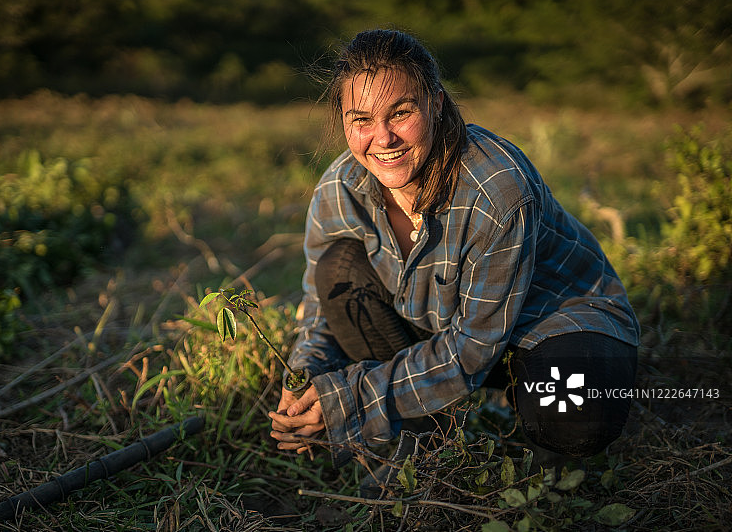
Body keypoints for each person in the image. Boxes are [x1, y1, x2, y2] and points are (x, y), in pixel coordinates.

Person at [268, 29, 639, 476]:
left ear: (436, 104)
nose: (383, 138)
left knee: (573, 418)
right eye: (361, 119)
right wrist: (303, 384)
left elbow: (472, 350)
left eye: (400, 113)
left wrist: (350, 398)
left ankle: (541, 442)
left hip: (547, 324)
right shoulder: (340, 188)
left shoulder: (497, 190)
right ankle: (424, 442)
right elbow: (318, 314)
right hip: (448, 330)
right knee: (337, 270)